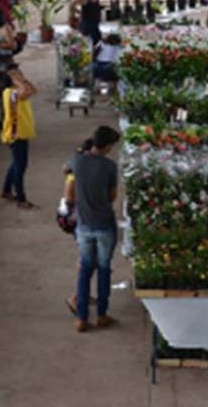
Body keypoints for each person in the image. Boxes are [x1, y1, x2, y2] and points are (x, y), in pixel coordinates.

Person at [65, 126, 122, 332]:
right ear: (106, 146)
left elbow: (67, 173)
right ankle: (101, 314)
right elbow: (112, 196)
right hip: (104, 224)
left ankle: (81, 318)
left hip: (84, 225)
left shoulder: (77, 160)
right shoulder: (109, 166)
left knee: (85, 269)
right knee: (104, 269)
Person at [0, 64, 37, 210]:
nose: (20, 74)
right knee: (20, 167)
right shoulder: (10, 93)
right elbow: (23, 93)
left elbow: (33, 90)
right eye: (15, 74)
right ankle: (21, 198)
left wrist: (23, 79)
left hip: (22, 133)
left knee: (16, 163)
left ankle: (6, 190)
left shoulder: (16, 90)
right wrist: (19, 80)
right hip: (16, 135)